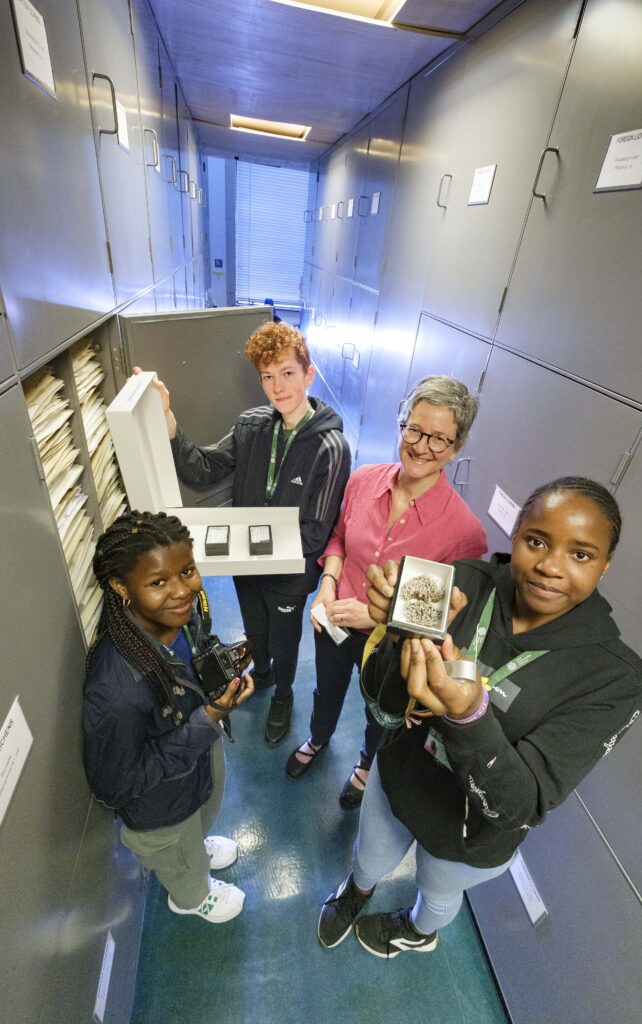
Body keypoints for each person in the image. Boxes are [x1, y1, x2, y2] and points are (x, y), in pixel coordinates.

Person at [317, 477, 642, 957]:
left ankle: (418, 929)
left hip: (471, 835)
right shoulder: (459, 581)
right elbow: (385, 707)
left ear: (605, 563)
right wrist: (393, 636)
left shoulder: (617, 679)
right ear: (515, 535)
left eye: (581, 555)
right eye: (536, 541)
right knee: (369, 855)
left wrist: (470, 716)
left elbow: (523, 804)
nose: (551, 567)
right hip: (401, 779)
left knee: (437, 890)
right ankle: (357, 891)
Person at [137, 321, 351, 746]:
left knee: (285, 642)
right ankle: (264, 676)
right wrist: (166, 417)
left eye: (287, 373)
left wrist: (251, 548)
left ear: (308, 374)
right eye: (267, 376)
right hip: (249, 569)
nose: (277, 387)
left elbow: (314, 533)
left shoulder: (331, 447)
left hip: (290, 576)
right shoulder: (251, 426)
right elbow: (202, 468)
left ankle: (284, 695)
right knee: (256, 631)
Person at [286, 376, 487, 807]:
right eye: (414, 429)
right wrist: (326, 586)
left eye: (439, 439)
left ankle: (364, 765)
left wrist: (377, 616)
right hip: (335, 618)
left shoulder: (464, 532)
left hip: (393, 647)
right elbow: (338, 537)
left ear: (456, 447)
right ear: (402, 425)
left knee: (383, 710)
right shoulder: (363, 480)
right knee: (327, 687)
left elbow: (442, 619)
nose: (421, 446)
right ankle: (318, 738)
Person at [83, 510, 254, 924]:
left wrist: (221, 663)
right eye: (158, 582)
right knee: (180, 861)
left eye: (188, 571)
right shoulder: (116, 689)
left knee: (199, 818)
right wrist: (210, 717)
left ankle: (194, 845)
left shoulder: (184, 618)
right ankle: (192, 897)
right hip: (160, 809)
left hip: (195, 763)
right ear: (122, 587)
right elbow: (116, 785)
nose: (182, 591)